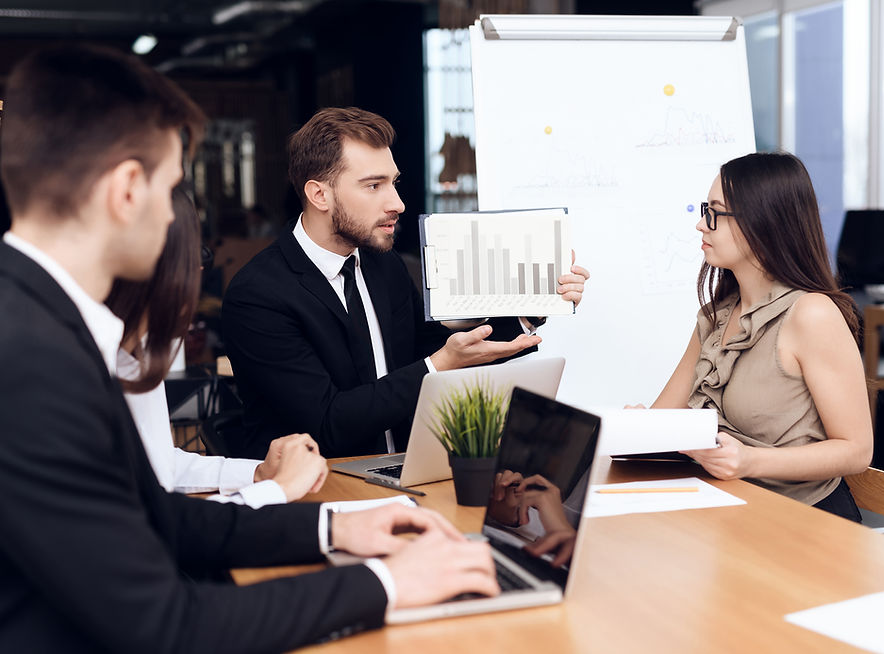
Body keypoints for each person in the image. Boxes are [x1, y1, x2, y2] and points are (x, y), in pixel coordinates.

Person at [0, 44, 498, 653]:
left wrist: (336, 527)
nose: (176, 220)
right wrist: (389, 582)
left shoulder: (41, 325)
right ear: (128, 190)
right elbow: (167, 625)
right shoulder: (29, 360)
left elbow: (158, 516)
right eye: (171, 188)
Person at [222, 107, 590, 459]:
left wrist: (529, 312)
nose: (397, 203)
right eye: (373, 186)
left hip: (404, 468)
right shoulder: (258, 295)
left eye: (393, 183)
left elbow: (426, 350)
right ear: (319, 194)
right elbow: (327, 423)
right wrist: (439, 364)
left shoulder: (383, 264)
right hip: (317, 491)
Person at [646, 152, 872, 520]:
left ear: (763, 222)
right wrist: (635, 429)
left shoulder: (811, 314)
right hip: (731, 511)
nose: (701, 226)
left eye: (714, 213)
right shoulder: (713, 317)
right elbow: (662, 418)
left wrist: (750, 460)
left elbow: (857, 450)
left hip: (807, 521)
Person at [106, 187, 322, 507]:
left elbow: (161, 468)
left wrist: (259, 473)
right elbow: (148, 524)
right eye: (193, 255)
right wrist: (278, 490)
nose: (200, 271)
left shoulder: (132, 356)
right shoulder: (84, 366)